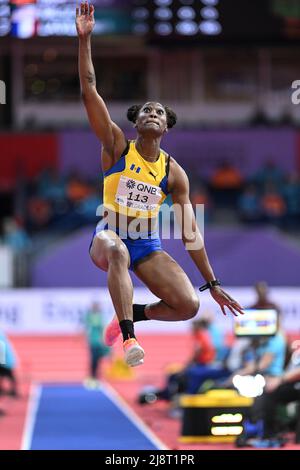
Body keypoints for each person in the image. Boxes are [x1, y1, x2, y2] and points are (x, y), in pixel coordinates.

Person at [76, 2, 243, 367]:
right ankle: (128, 338)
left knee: (188, 305)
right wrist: (85, 39)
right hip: (109, 236)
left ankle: (133, 314)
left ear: (166, 126)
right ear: (137, 123)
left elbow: (190, 232)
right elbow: (90, 89)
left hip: (147, 242)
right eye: (147, 110)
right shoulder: (117, 146)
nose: (153, 113)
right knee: (118, 250)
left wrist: (212, 284)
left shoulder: (173, 173)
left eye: (160, 112)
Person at [84, 302, 110, 388]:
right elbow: (86, 328)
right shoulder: (89, 316)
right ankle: (92, 376)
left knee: (98, 359)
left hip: (99, 342)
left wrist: (104, 340)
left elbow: (103, 328)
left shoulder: (100, 316)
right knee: (93, 360)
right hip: (93, 341)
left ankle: (95, 376)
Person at [0, 329, 18, 397]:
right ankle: (12, 390)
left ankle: (13, 391)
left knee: (8, 376)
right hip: (6, 360)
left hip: (5, 361)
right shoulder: (1, 335)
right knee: (8, 376)